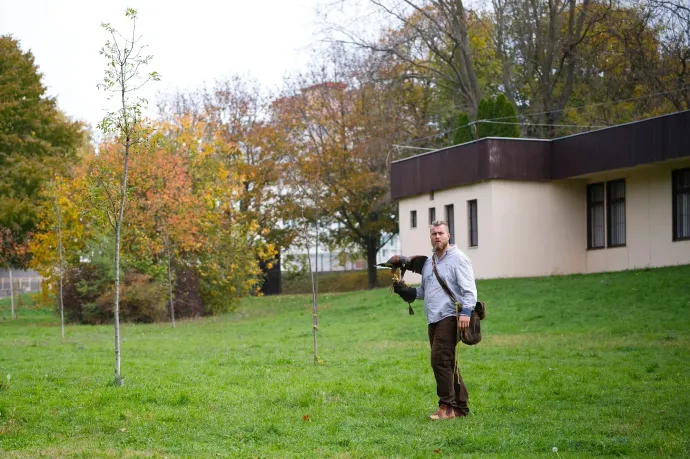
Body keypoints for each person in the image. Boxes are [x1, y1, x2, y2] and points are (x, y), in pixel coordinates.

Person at [393, 220, 478, 420]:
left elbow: (469, 290)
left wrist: (466, 312)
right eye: (433, 234)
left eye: (441, 233)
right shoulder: (429, 264)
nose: (437, 236)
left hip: (451, 315)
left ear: (449, 236)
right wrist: (407, 291)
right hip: (433, 318)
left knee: (439, 360)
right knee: (447, 363)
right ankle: (461, 408)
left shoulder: (459, 259)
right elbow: (425, 291)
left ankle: (447, 407)